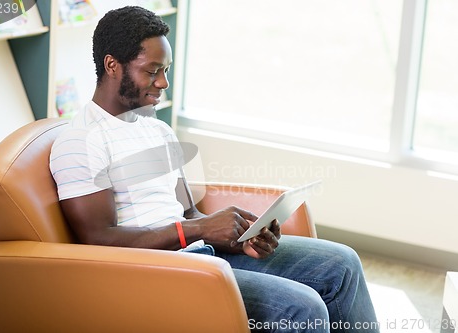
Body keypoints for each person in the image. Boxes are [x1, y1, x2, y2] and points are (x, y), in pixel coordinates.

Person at [49, 6, 380, 333]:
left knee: (342, 263)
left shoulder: (156, 129)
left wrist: (239, 238)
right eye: (152, 71)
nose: (163, 82)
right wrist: (198, 230)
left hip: (199, 255)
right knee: (302, 308)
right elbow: (99, 240)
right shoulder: (81, 141)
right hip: (156, 273)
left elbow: (188, 213)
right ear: (112, 65)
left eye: (166, 69)